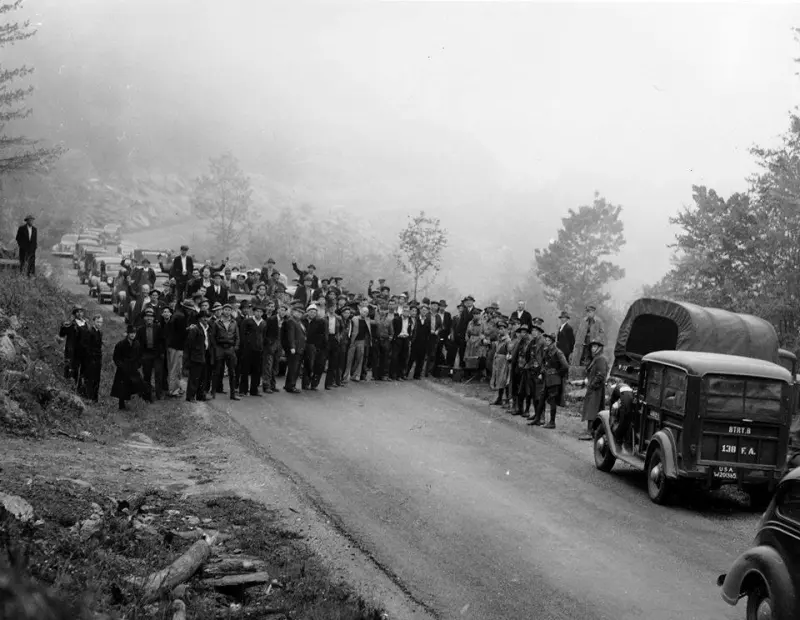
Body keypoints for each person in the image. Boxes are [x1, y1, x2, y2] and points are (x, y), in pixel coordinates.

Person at [531, 332, 569, 428]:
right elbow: (545, 363)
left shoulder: (558, 352)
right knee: (541, 399)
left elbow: (565, 366)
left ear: (553, 342)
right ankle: (537, 419)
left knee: (552, 401)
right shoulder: (546, 351)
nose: (547, 342)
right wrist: (542, 372)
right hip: (547, 379)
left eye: (549, 341)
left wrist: (557, 374)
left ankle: (552, 422)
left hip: (554, 380)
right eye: (546, 340)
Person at [110, 325, 149, 410]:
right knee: (122, 387)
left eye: (134, 333)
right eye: (131, 333)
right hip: (123, 369)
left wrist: (138, 364)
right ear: (127, 334)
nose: (132, 335)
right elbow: (116, 357)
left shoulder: (137, 344)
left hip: (133, 368)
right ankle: (121, 404)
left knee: (139, 384)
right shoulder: (120, 344)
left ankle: (138, 402)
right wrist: (121, 366)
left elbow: (140, 356)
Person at [580, 338, 609, 440]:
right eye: (592, 346)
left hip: (596, 389)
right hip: (594, 388)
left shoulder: (601, 359)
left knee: (592, 409)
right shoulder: (596, 358)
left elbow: (601, 375)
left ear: (600, 348)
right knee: (591, 408)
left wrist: (592, 385)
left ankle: (590, 432)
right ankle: (592, 431)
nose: (593, 348)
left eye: (595, 346)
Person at [211, 302, 240, 400]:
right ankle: (213, 392)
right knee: (217, 371)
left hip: (230, 348)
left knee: (232, 372)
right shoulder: (217, 322)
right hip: (220, 348)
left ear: (231, 311)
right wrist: (216, 347)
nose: (227, 312)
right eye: (225, 310)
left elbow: (237, 336)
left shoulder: (234, 322)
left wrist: (235, 347)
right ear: (222, 311)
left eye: (229, 310)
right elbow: (213, 337)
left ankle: (233, 394)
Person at [135, 307, 165, 401]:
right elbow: (138, 344)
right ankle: (147, 395)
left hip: (156, 354)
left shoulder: (158, 328)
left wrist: (161, 352)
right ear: (144, 318)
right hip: (146, 354)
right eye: (147, 317)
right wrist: (140, 357)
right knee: (147, 375)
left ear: (153, 318)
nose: (149, 319)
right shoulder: (140, 330)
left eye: (151, 317)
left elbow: (162, 341)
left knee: (158, 374)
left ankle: (158, 394)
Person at [240, 303, 267, 396]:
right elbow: (242, 335)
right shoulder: (248, 321)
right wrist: (243, 346)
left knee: (257, 370)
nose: (259, 313)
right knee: (245, 370)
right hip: (248, 349)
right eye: (257, 311)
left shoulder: (264, 323)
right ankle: (243, 390)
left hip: (259, 350)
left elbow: (265, 337)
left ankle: (254, 390)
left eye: (260, 312)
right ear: (254, 312)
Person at [185, 310, 212, 402]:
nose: (205, 319)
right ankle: (190, 396)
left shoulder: (208, 328)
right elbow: (189, 343)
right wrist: (190, 357)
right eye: (203, 317)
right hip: (196, 355)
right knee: (194, 377)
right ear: (199, 318)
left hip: (205, 354)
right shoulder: (195, 328)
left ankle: (200, 395)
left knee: (203, 377)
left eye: (207, 317)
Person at [79, 314, 104, 403]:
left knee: (97, 378)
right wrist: (90, 358)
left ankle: (94, 398)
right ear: (94, 321)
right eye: (98, 322)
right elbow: (86, 347)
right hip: (90, 360)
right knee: (89, 378)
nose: (99, 324)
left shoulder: (100, 332)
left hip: (98, 359)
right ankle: (88, 397)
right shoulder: (89, 332)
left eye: (101, 322)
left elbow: (99, 347)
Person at [284, 302, 307, 393]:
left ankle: (289, 385)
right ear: (293, 312)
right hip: (295, 348)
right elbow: (291, 335)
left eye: (301, 312)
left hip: (301, 347)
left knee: (296, 368)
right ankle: (291, 386)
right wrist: (292, 347)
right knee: (294, 368)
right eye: (297, 312)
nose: (299, 314)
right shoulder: (291, 321)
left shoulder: (299, 321)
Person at [489, 320, 512, 406]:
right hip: (498, 361)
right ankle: (499, 397)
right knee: (498, 379)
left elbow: (509, 352)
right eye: (499, 329)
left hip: (504, 362)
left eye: (502, 329)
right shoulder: (499, 338)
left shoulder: (507, 340)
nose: (500, 331)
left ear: (506, 330)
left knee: (504, 379)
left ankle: (505, 399)